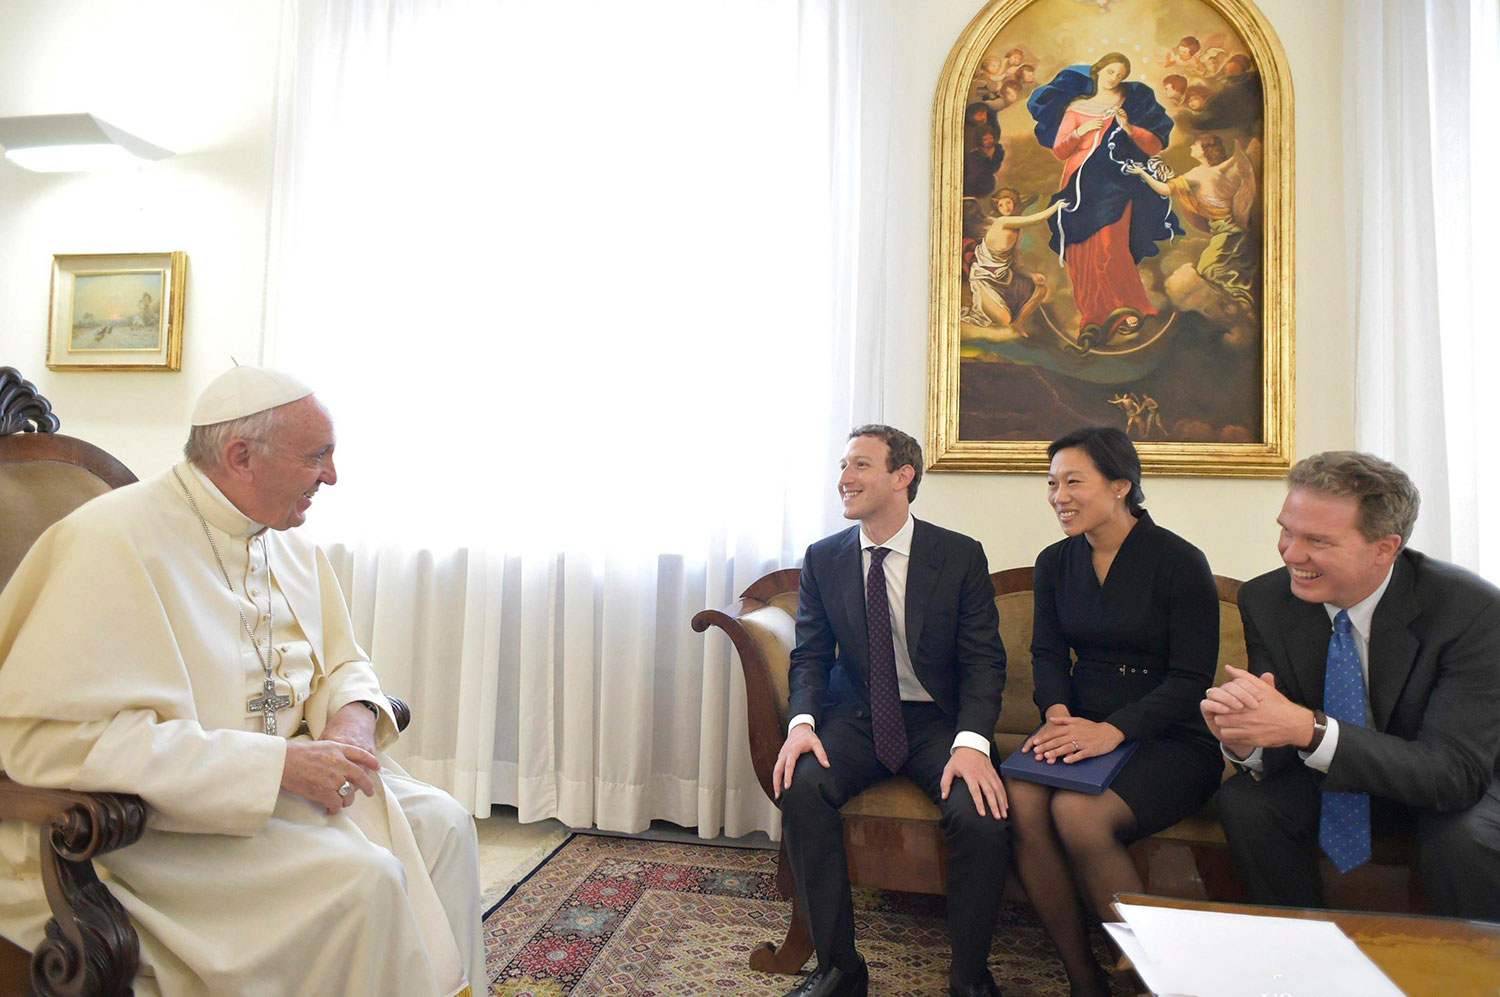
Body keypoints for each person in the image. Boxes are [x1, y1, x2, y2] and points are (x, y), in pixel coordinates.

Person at [0, 366, 484, 996]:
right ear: (239, 456)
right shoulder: (110, 541)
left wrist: (353, 718)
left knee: (446, 823)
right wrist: (274, 765)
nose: (332, 476)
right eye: (317, 456)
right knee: (360, 886)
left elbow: (343, 662)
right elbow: (54, 743)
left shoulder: (285, 540)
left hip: (285, 788)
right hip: (154, 828)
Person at [1202, 452, 1500, 921]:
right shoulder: (1268, 600)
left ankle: (1473, 975)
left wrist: (1308, 728)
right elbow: (1284, 742)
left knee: (1462, 839)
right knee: (1248, 804)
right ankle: (1302, 959)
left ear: (1384, 547)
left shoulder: (1471, 611)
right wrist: (1244, 738)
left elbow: (1453, 774)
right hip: (1342, 770)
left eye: (1317, 540)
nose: (1290, 553)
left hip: (1461, 778)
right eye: (1287, 529)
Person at [773, 425, 1009, 997]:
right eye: (843, 466)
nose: (844, 480)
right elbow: (809, 654)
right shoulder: (824, 558)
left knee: (979, 814)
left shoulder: (958, 556)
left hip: (938, 722)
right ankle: (839, 968)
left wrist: (973, 743)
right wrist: (802, 723)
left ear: (903, 477)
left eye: (860, 466)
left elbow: (984, 663)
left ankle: (970, 977)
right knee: (802, 788)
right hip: (855, 717)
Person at [1006, 427, 1222, 997]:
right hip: (1077, 724)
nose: (1059, 496)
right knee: (1022, 799)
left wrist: (1113, 731)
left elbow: (1191, 681)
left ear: (1122, 485)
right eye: (1052, 484)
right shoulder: (1055, 561)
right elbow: (1048, 653)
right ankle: (1084, 979)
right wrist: (1055, 713)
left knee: (1079, 815)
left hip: (1169, 735)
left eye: (1074, 482)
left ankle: (1154, 983)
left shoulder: (1179, 561)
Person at [1027, 53, 1182, 343]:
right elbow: (1061, 150)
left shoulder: (1128, 106)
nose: (1114, 78)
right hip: (1080, 183)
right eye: (1111, 71)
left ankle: (1129, 307)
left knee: (1112, 243)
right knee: (1081, 251)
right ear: (1098, 72)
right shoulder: (1076, 108)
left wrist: (1129, 128)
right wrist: (1081, 131)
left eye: (1120, 75)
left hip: (1116, 182)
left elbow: (1153, 144)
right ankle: (1093, 316)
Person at [963, 188, 1065, 331]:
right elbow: (1034, 220)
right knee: (1004, 320)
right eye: (1001, 205)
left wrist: (1032, 275)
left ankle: (1019, 324)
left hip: (1004, 278)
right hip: (985, 280)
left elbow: (1016, 264)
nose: (1006, 207)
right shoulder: (1001, 222)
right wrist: (1055, 207)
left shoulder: (1017, 231)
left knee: (1041, 290)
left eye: (1008, 203)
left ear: (1014, 203)